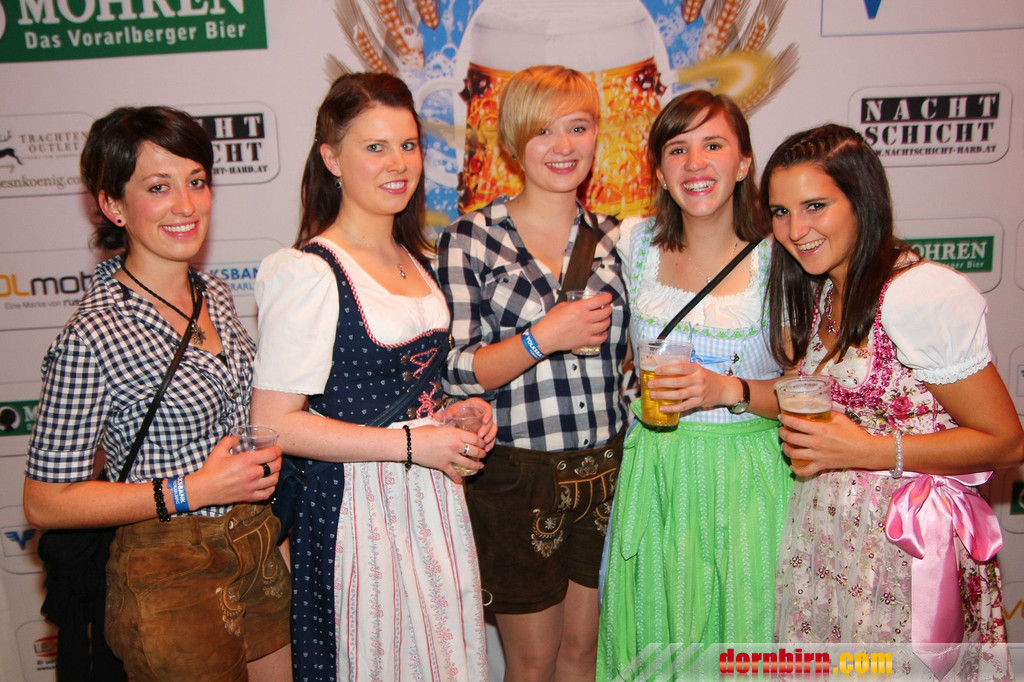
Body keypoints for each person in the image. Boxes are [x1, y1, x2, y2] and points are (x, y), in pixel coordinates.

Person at [23, 106, 290, 681]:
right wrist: (193, 489)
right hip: (169, 568)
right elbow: (45, 501)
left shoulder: (214, 292)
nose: (186, 205)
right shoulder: (93, 333)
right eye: (158, 187)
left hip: (254, 542)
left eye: (197, 181)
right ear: (113, 205)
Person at [250, 72, 494, 681]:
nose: (397, 163)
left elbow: (406, 391)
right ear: (332, 158)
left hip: (429, 501)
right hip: (354, 509)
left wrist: (449, 416)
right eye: (375, 147)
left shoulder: (416, 258)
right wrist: (412, 444)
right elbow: (277, 424)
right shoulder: (308, 270)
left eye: (408, 145)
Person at [765, 123, 1024, 678]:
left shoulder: (918, 295)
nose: (795, 230)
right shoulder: (825, 287)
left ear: (862, 201)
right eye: (781, 212)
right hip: (831, 541)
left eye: (815, 206)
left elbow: (1005, 443)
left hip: (905, 551)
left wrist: (870, 451)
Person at [436, 64, 629, 681]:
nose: (563, 145)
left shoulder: (618, 238)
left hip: (607, 467)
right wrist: (542, 337)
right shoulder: (471, 237)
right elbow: (455, 369)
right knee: (533, 659)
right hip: (519, 477)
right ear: (514, 143)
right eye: (543, 130)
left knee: (584, 652)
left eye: (578, 127)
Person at [598, 90, 793, 680]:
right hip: (657, 474)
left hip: (747, 479)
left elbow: (812, 393)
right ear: (659, 171)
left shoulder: (781, 258)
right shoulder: (634, 244)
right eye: (677, 149)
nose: (695, 163)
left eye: (713, 145)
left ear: (744, 163)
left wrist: (725, 390)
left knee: (744, 639)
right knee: (656, 637)